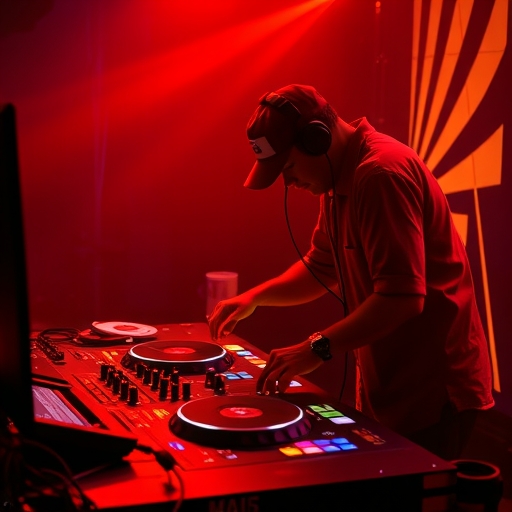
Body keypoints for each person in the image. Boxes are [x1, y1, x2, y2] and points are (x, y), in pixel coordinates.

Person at [207, 84, 494, 460]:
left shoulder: (380, 175)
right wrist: (255, 297)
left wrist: (315, 348)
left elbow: (403, 298)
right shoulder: (338, 181)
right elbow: (322, 267)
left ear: (317, 139)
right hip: (391, 383)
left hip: (432, 389)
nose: (288, 183)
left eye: (288, 167)